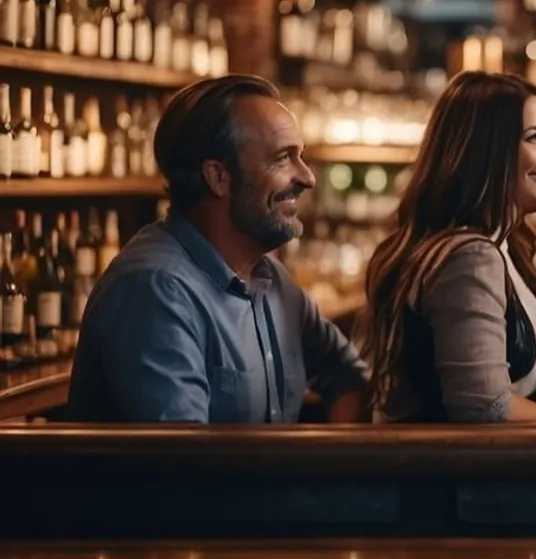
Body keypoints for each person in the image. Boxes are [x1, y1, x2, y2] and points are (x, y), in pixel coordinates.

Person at [66, 76, 369, 423]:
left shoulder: (272, 280)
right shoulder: (156, 289)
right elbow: (185, 465)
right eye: (283, 158)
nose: (307, 178)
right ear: (217, 177)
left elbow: (348, 377)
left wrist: (328, 471)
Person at [357, 72, 536, 423]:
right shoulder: (469, 257)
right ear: (486, 150)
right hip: (443, 474)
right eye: (534, 137)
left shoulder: (505, 246)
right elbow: (483, 407)